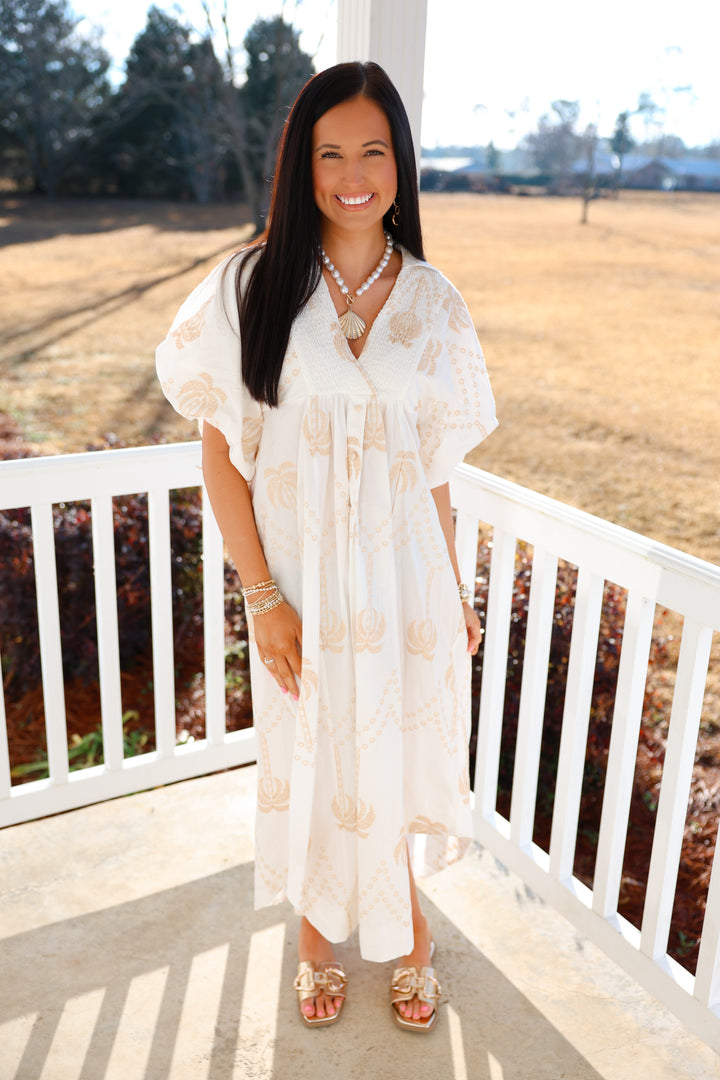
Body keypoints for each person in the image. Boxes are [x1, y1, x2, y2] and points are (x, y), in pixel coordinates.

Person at [156, 61, 497, 1032]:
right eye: (330, 151)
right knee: (308, 753)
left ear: (401, 165)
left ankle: (408, 926)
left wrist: (456, 587)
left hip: (405, 586)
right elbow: (222, 459)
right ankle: (314, 929)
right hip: (297, 590)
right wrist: (262, 598)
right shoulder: (252, 286)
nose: (354, 172)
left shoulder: (434, 304)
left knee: (388, 752)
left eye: (373, 150)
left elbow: (435, 471)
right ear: (301, 165)